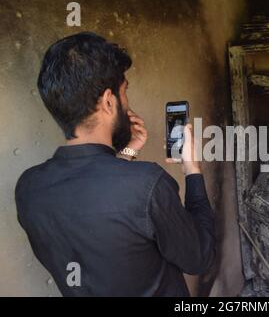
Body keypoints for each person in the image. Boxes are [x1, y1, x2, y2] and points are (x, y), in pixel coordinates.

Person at [14, 32, 215, 296]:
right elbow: (198, 258)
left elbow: (96, 200)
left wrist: (128, 151)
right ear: (109, 101)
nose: (127, 102)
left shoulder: (29, 187)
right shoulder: (146, 184)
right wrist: (192, 169)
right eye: (124, 92)